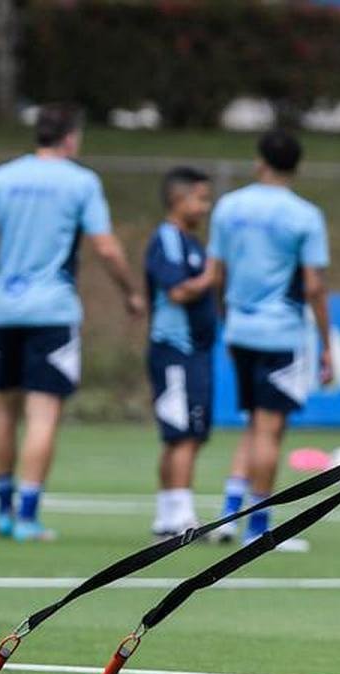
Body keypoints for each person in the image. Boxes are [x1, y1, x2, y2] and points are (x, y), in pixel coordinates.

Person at [0, 103, 144, 542]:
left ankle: (3, 511)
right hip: (52, 312)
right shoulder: (81, 182)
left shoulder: (1, 178)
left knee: (2, 409)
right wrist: (131, 291)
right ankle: (27, 516)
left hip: (3, 310)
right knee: (42, 415)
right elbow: (105, 248)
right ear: (70, 138)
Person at [209, 130, 333, 552]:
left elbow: (217, 273)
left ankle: (230, 513)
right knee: (270, 430)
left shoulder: (229, 207)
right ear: (296, 167)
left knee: (252, 423)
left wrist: (228, 320)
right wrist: (328, 342)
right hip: (281, 332)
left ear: (260, 161)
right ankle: (258, 529)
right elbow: (314, 285)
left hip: (241, 329)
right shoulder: (305, 215)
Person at [145, 167, 217, 540]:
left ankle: (168, 515)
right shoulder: (168, 239)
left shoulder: (189, 240)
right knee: (183, 434)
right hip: (176, 349)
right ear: (178, 199)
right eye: (200, 199)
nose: (206, 207)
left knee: (185, 434)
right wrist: (212, 275)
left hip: (195, 352)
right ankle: (181, 516)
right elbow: (177, 291)